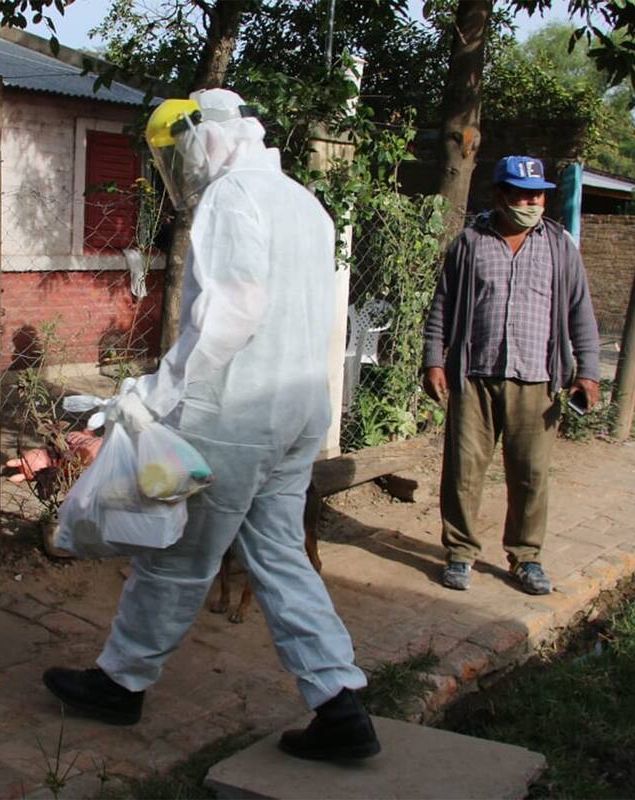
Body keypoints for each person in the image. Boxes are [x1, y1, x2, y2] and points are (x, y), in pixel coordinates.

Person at [42, 89, 380, 761]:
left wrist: (159, 392)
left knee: (174, 558)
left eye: (176, 155)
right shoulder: (304, 202)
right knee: (281, 556)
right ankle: (340, 704)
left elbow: (235, 311)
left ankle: (121, 684)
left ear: (204, 138)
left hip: (237, 415)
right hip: (298, 410)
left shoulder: (231, 198)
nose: (179, 171)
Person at [423, 155, 601, 596]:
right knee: (463, 470)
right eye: (522, 194)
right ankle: (461, 553)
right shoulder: (469, 244)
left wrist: (589, 372)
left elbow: (581, 311)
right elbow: (441, 307)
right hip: (475, 376)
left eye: (537, 194)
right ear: (500, 195)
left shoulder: (560, 247)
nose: (531, 202)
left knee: (531, 473)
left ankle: (526, 557)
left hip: (538, 379)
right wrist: (433, 360)